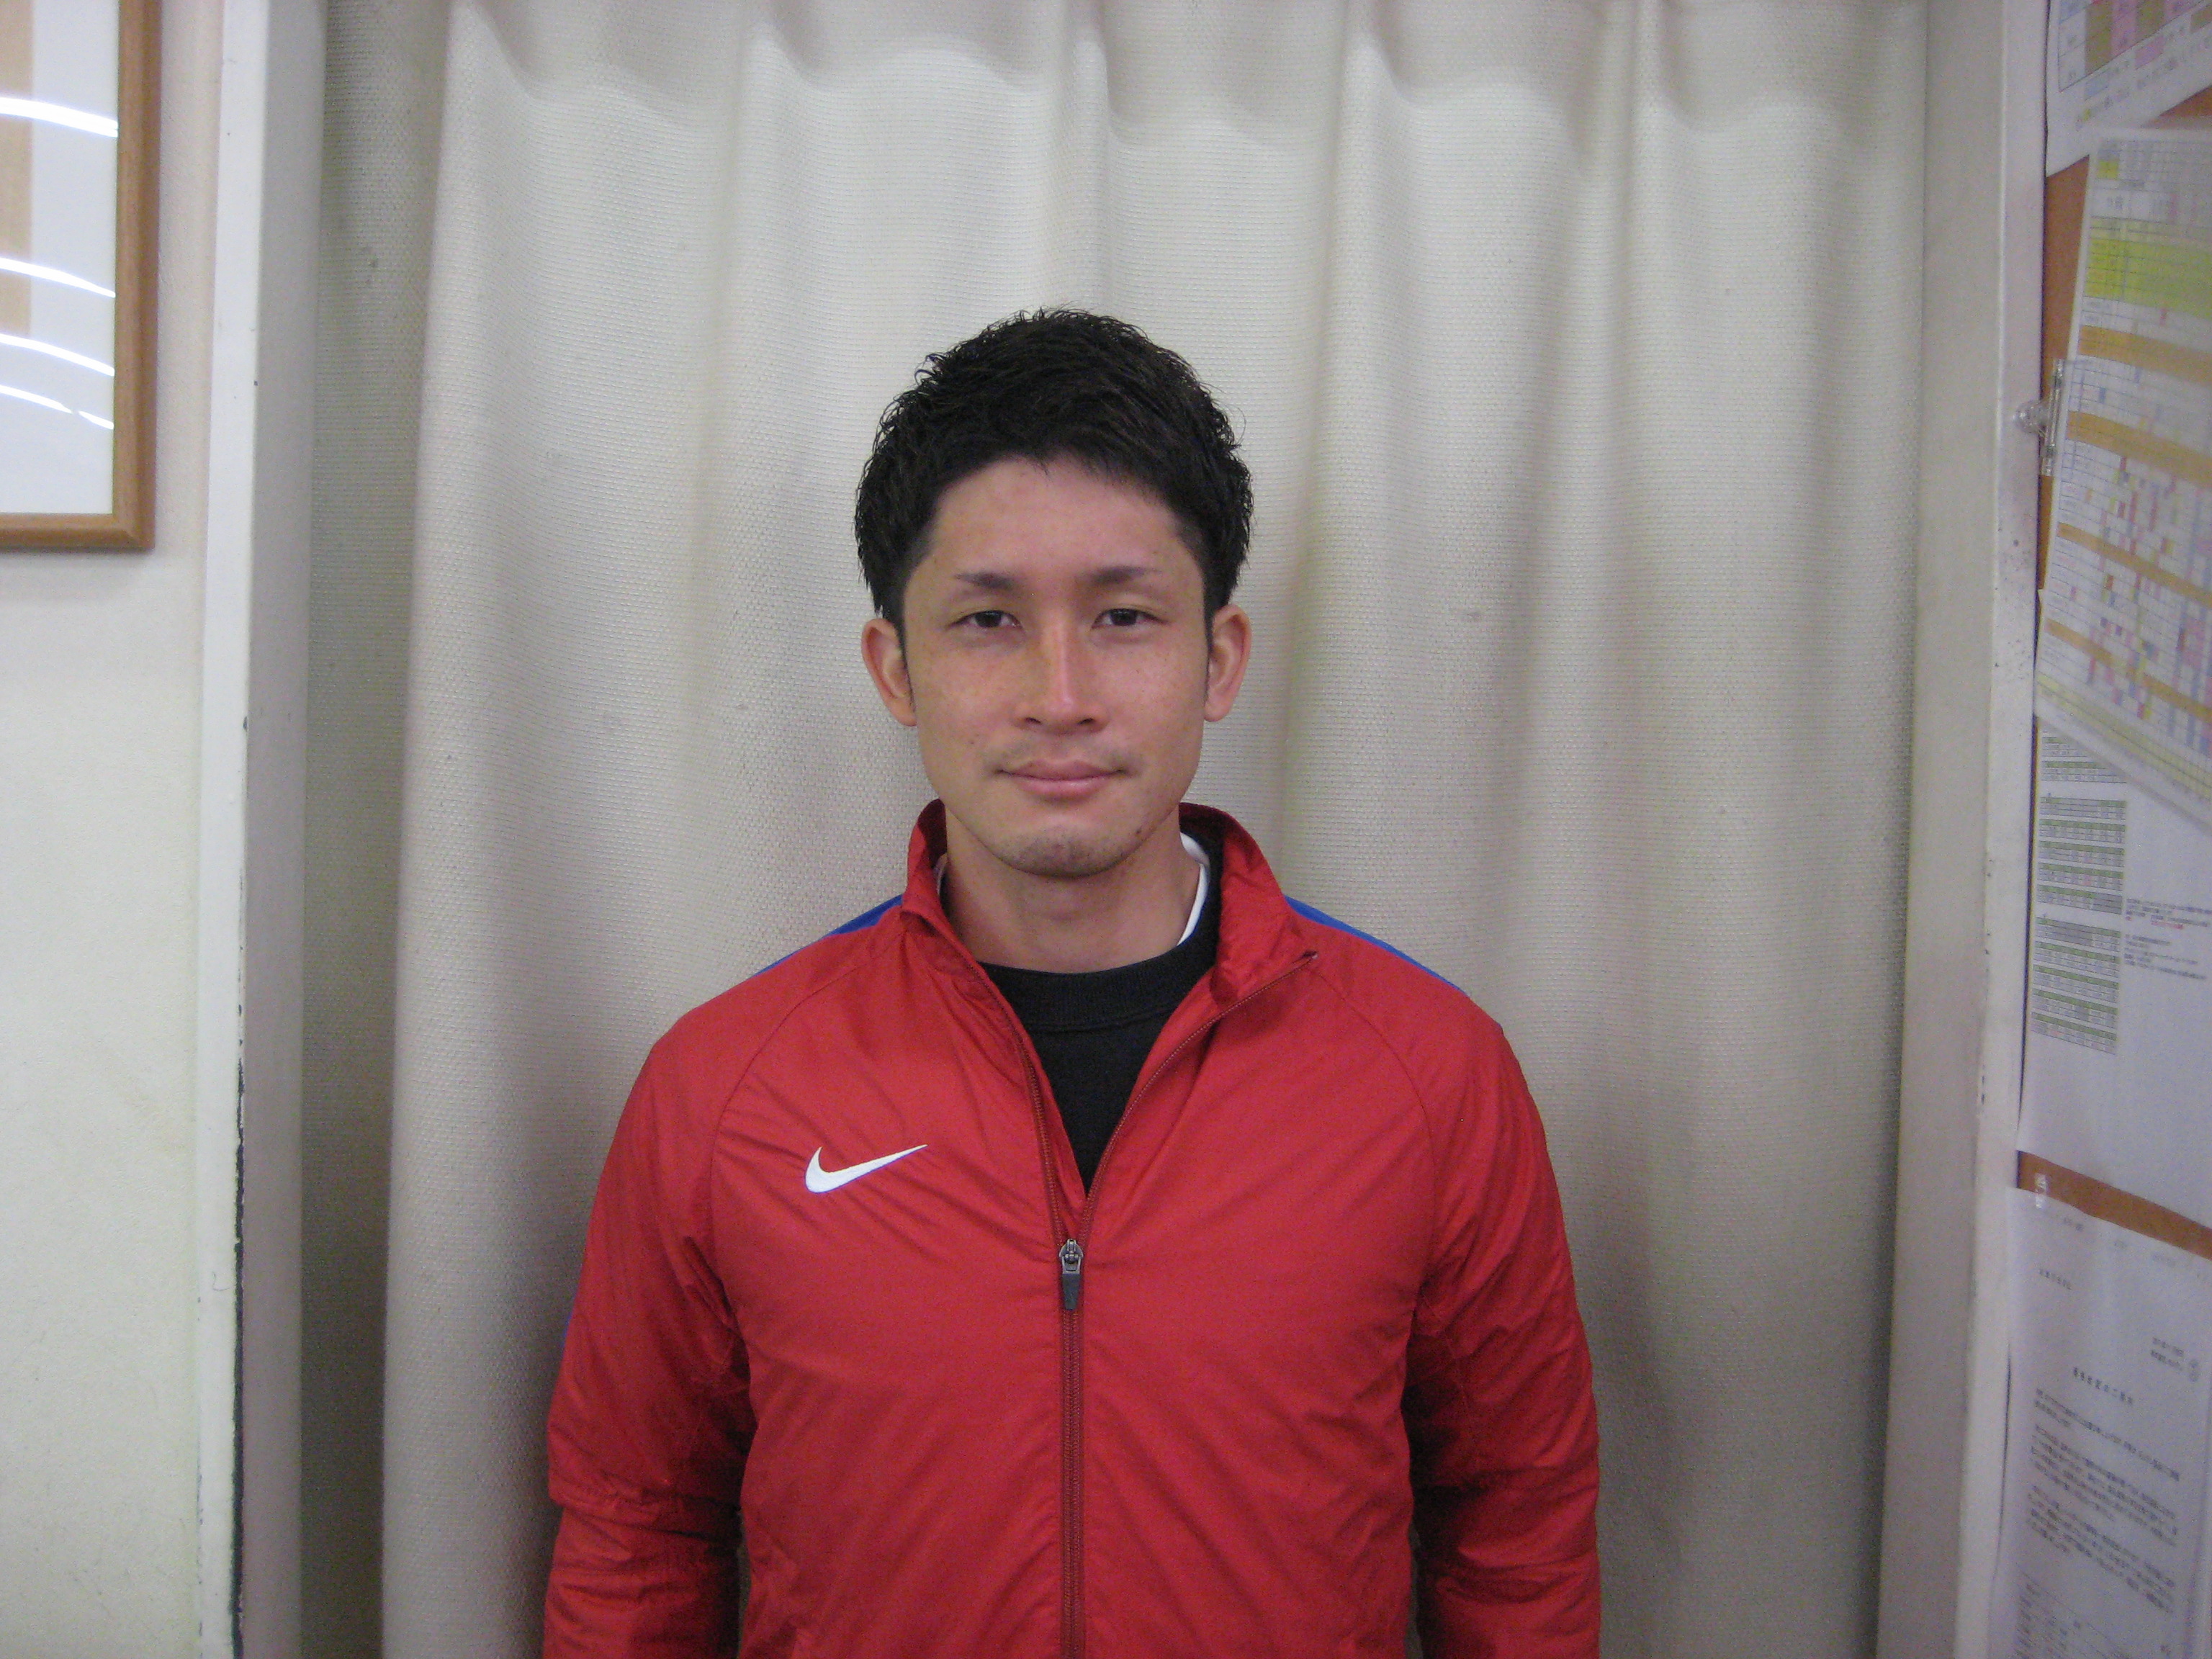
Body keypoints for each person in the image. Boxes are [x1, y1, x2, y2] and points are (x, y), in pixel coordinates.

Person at [543, 310, 1600, 1657]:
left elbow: (1518, 1525)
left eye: (1123, 617)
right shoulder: (724, 1090)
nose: (1061, 693)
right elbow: (636, 1532)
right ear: (896, 669)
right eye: (988, 620)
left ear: (1219, 659)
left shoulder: (1433, 1077)